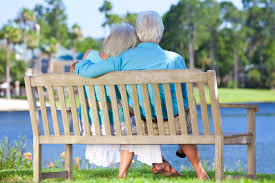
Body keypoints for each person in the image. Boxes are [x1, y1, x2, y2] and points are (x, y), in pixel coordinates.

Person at [73, 11, 209, 180]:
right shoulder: (174, 58)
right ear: (160, 32)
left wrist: (78, 65)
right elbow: (185, 93)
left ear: (138, 33)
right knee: (185, 110)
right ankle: (199, 171)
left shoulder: (123, 58)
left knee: (134, 124)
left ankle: (122, 175)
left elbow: (90, 71)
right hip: (174, 124)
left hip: (144, 124)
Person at [71, 24, 165, 178]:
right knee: (141, 121)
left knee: (134, 122)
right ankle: (129, 172)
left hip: (88, 124)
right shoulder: (123, 66)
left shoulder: (89, 55)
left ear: (110, 40)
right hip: (114, 125)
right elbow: (129, 108)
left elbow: (76, 67)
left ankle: (160, 162)